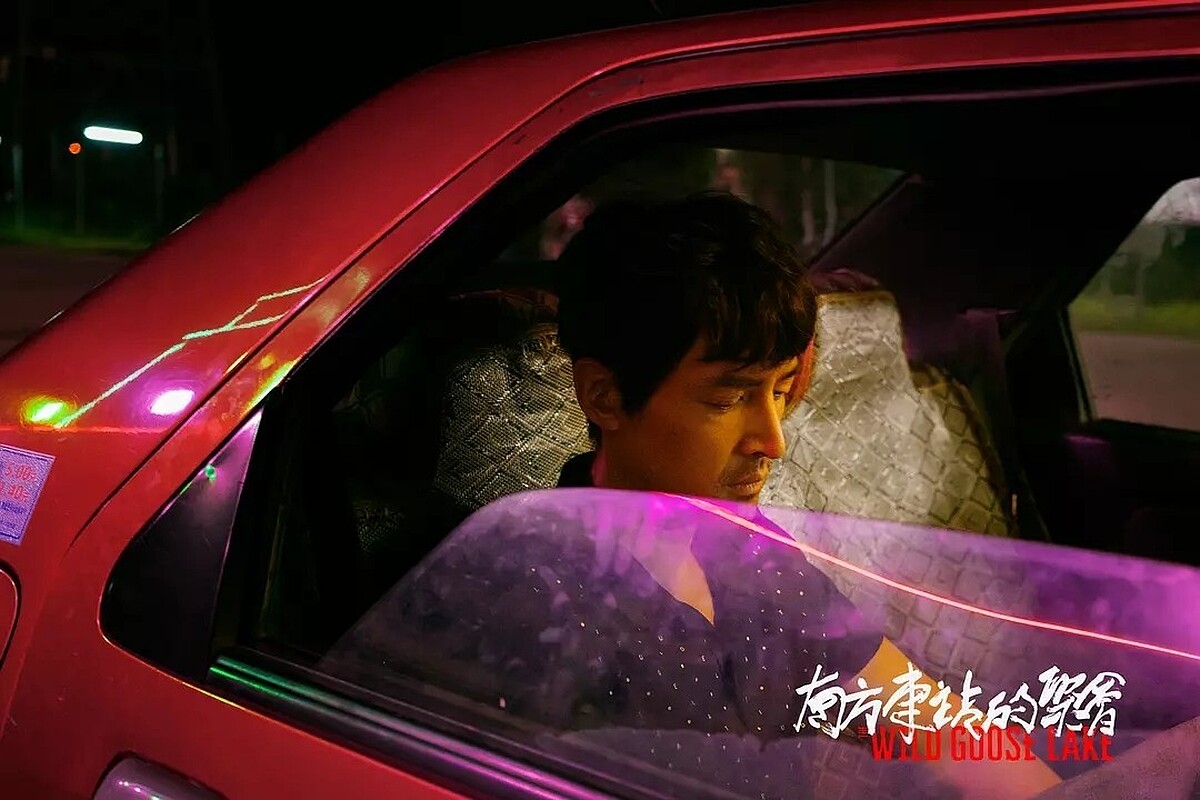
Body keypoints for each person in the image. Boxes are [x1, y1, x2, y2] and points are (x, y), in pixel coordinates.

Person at [323, 192, 1061, 800]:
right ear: (605, 397)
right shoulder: (518, 594)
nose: (772, 439)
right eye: (728, 398)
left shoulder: (752, 553)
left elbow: (928, 721)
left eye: (781, 390)